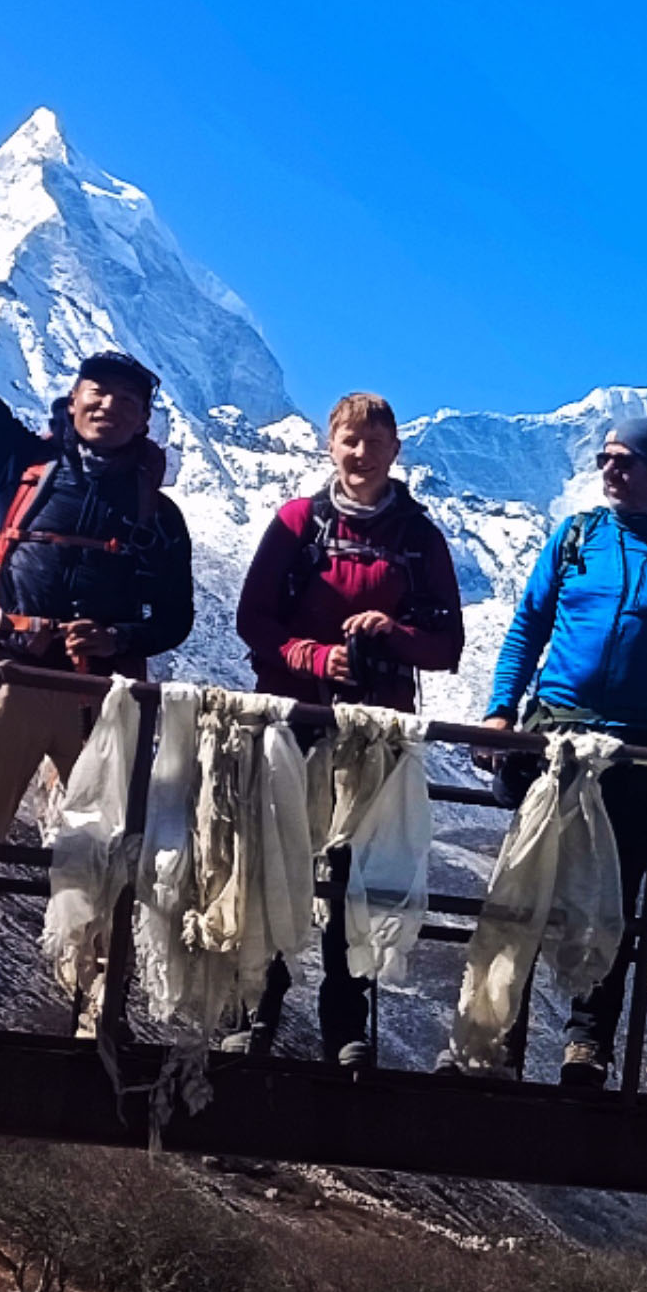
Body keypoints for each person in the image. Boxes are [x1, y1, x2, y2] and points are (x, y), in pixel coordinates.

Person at [0, 190, 199, 1025]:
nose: (107, 408)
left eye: (125, 401)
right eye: (94, 395)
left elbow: (174, 621)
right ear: (71, 405)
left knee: (101, 849)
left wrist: (119, 635)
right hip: (11, 678)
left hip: (103, 700)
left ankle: (99, 995)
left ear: (143, 420)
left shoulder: (159, 517)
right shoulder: (22, 465)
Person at [477, 412, 647, 1083]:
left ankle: (588, 1041)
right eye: (605, 458)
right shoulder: (577, 538)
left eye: (624, 460)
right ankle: (501, 1034)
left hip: (638, 750)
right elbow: (528, 627)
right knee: (529, 885)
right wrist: (498, 711)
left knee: (614, 899)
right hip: (555, 735)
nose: (610, 470)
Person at [236, 391, 466, 1067]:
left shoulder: (420, 540)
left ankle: (346, 1025)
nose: (361, 452)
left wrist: (392, 632)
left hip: (373, 732)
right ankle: (256, 1010)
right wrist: (314, 656)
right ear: (330, 446)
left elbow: (446, 644)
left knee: (357, 875)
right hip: (295, 717)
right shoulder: (297, 523)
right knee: (274, 860)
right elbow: (254, 622)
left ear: (396, 448)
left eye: (374, 440)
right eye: (348, 440)